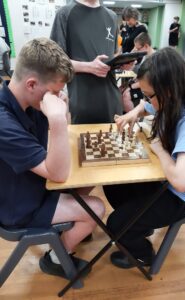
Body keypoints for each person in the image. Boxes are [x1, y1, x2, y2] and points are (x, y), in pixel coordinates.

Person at [0, 37, 105, 279]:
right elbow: (58, 173)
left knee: (89, 180)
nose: (57, 96)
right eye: (55, 91)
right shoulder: (4, 122)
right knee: (96, 208)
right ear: (32, 84)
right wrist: (57, 120)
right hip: (17, 206)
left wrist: (62, 113)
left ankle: (65, 232)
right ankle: (56, 258)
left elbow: (59, 147)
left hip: (32, 183)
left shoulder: (29, 102)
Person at [103, 47, 185, 269]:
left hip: (181, 196)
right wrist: (133, 112)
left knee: (115, 225)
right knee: (112, 186)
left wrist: (160, 150)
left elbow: (182, 182)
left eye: (149, 95)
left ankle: (144, 254)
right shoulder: (169, 103)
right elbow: (145, 107)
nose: (147, 101)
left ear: (168, 90)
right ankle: (140, 225)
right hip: (165, 181)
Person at [50, 0, 123, 124]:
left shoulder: (112, 16)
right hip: (83, 101)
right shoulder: (65, 14)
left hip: (112, 100)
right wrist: (89, 67)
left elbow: (114, 53)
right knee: (82, 142)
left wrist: (121, 63)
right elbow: (54, 62)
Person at [122, 32, 155, 112]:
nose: (136, 51)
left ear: (146, 46)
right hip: (142, 85)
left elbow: (148, 81)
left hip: (150, 89)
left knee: (126, 95)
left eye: (138, 49)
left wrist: (131, 86)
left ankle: (134, 118)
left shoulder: (154, 59)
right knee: (121, 89)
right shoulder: (145, 56)